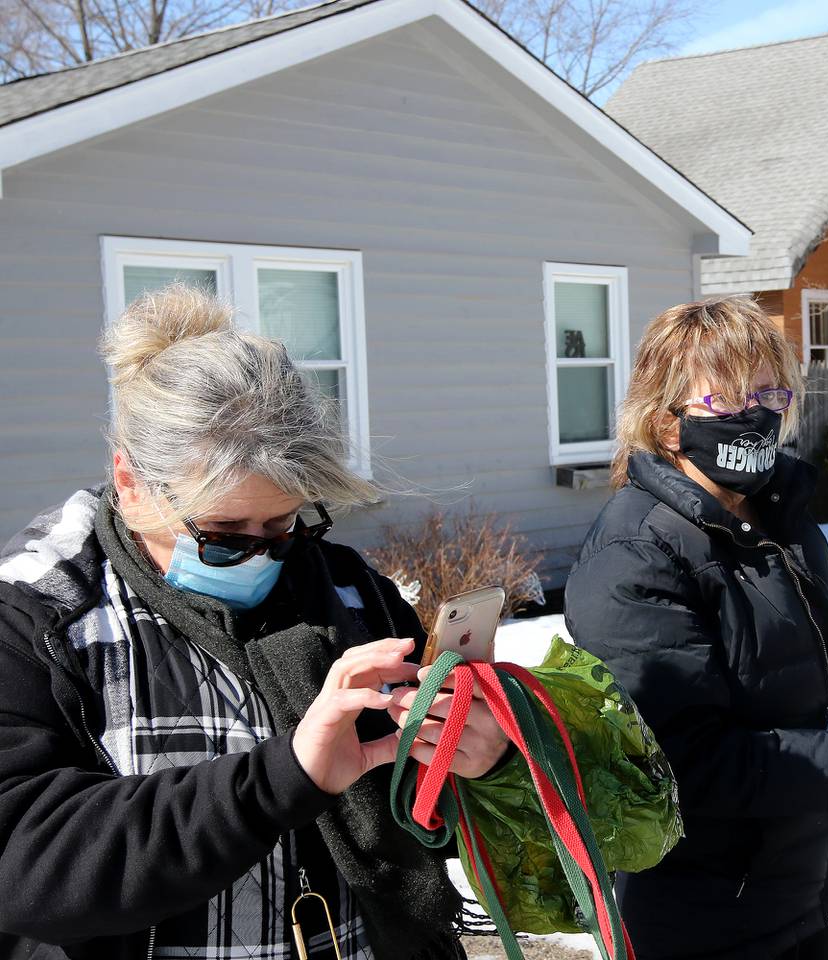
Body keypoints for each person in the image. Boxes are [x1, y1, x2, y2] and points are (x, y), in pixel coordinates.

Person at [0, 286, 510, 960]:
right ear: (130, 482)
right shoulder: (40, 614)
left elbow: (422, 811)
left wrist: (480, 757)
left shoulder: (345, 588)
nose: (261, 555)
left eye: (282, 524)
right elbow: (28, 865)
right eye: (221, 533)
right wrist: (283, 776)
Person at [564, 297, 828, 959]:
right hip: (704, 919)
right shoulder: (636, 557)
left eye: (767, 391)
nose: (752, 414)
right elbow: (684, 765)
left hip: (808, 890)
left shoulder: (779, 522)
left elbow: (810, 668)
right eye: (725, 400)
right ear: (667, 423)